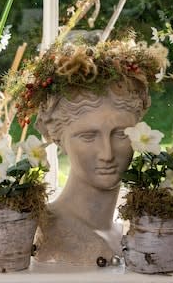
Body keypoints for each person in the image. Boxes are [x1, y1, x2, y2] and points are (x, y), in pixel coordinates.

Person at [33, 79, 150, 266]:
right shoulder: (48, 230)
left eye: (121, 134)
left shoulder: (133, 230)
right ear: (57, 138)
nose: (107, 154)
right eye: (88, 136)